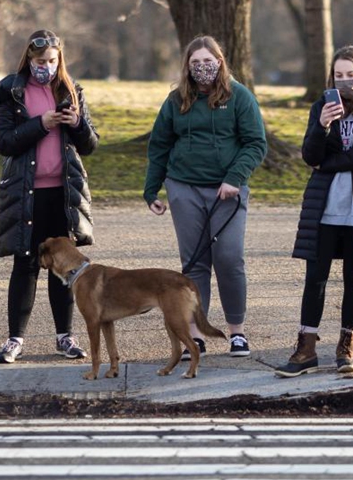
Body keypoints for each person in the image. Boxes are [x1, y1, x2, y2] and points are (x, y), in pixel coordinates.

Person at [275, 45, 353, 378]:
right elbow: (309, 154)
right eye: (338, 75)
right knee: (315, 279)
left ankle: (346, 349)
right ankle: (306, 349)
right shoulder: (322, 107)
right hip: (324, 209)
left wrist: (324, 163)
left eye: (351, 75)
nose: (344, 81)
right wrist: (322, 127)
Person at [144, 35, 267, 359]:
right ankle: (195, 335)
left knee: (229, 259)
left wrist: (234, 178)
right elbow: (159, 146)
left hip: (227, 191)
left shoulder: (239, 97)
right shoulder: (176, 100)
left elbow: (256, 143)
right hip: (184, 187)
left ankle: (236, 332)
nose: (202, 67)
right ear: (187, 66)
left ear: (220, 61)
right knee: (195, 263)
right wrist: (151, 189)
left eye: (208, 61)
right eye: (195, 62)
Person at [0, 30, 99, 364]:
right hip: (25, 193)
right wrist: (41, 124)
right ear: (29, 60)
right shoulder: (11, 92)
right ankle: (14, 339)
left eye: (52, 61)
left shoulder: (71, 89)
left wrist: (76, 124)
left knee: (64, 266)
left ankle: (65, 336)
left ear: (59, 60)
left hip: (64, 194)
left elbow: (90, 144)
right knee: (26, 263)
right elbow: (2, 141)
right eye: (40, 62)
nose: (46, 67)